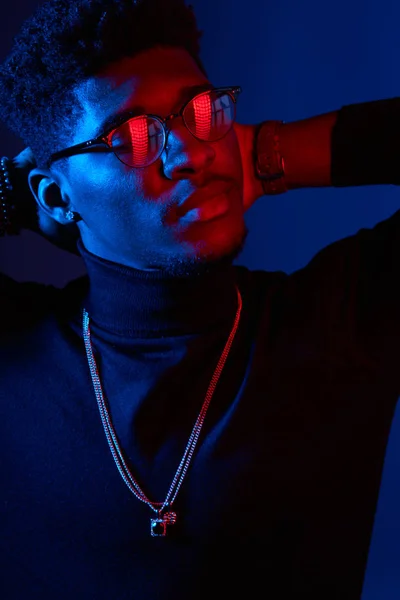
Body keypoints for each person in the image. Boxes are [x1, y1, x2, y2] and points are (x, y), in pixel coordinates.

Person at [0, 0, 399, 598]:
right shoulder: (13, 349)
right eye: (132, 137)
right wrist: (7, 195)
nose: (193, 153)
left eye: (201, 113)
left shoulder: (342, 320)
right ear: (56, 198)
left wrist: (271, 156)